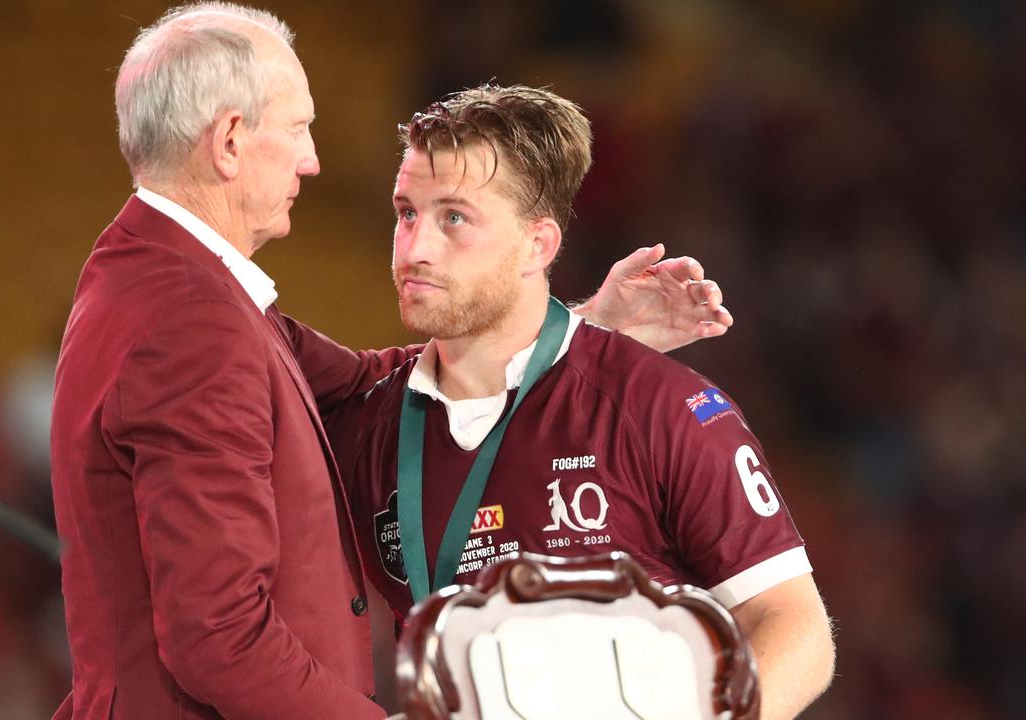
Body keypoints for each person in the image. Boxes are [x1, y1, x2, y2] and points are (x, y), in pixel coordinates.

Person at [50, 4, 732, 719]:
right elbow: (217, 637)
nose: (312, 159)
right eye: (297, 129)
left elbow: (367, 385)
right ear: (228, 141)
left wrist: (581, 326)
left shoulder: (150, 278)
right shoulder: (193, 321)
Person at [321, 85, 836, 720]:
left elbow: (795, 628)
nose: (415, 248)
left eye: (454, 217)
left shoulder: (657, 407)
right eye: (406, 213)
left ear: (538, 245)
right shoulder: (367, 422)